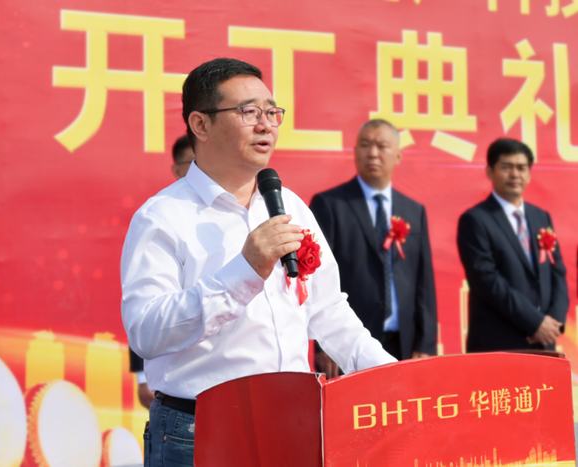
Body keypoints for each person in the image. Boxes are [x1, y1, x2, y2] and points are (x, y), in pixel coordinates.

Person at [121, 58, 395, 466]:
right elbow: (146, 332)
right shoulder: (162, 217)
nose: (266, 125)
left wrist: (393, 377)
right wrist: (244, 271)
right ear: (200, 124)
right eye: (249, 112)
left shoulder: (290, 206)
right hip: (198, 431)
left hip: (293, 423)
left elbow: (328, 311)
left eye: (272, 112)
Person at [309, 120, 437, 376]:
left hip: (404, 343)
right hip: (349, 346)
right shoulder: (329, 204)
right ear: (355, 151)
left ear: (398, 155)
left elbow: (424, 282)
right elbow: (316, 277)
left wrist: (425, 344)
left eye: (382, 146)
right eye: (365, 145)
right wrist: (325, 346)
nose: (373, 153)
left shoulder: (414, 210)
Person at [456, 138, 568, 352]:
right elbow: (487, 280)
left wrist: (553, 323)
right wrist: (535, 323)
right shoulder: (475, 219)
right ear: (490, 172)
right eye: (506, 167)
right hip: (499, 341)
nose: (515, 174)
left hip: (544, 340)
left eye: (521, 168)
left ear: (529, 174)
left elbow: (557, 272)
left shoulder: (541, 217)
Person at [129, 134, 196, 410]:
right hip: (177, 392)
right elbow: (144, 308)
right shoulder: (159, 215)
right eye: (192, 163)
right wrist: (141, 376)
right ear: (176, 170)